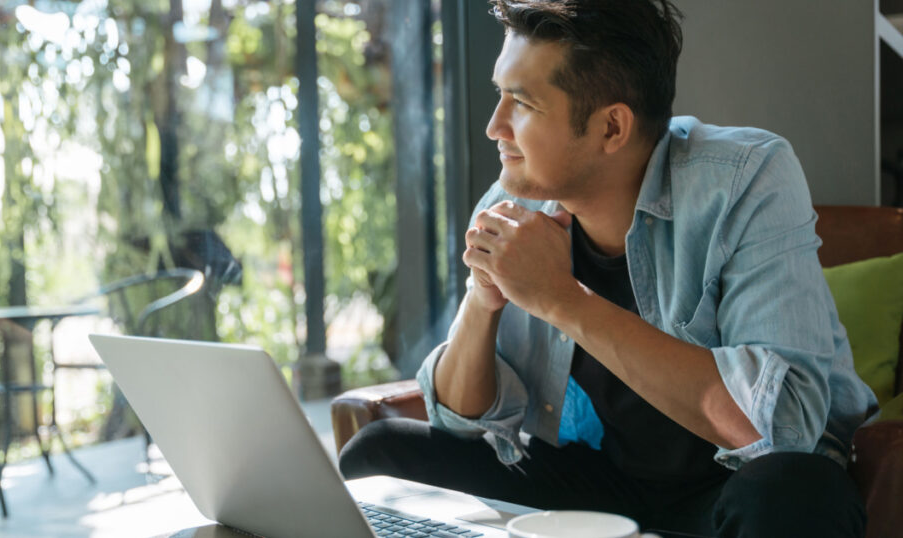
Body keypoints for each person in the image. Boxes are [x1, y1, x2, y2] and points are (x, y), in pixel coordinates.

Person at [338, 1, 880, 536]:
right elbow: (460, 421)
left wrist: (562, 299)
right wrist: (485, 301)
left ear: (612, 127)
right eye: (500, 95)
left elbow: (784, 426)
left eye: (521, 103)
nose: (494, 126)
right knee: (381, 457)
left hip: (726, 486)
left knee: (793, 490)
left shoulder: (745, 179)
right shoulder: (515, 201)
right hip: (601, 480)